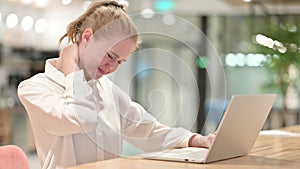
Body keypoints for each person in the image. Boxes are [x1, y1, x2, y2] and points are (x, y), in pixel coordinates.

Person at [17, 0, 216, 168]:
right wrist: (71, 67)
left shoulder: (107, 89)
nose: (112, 66)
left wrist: (196, 140)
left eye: (120, 62)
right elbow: (81, 119)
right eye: (110, 55)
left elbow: (148, 130)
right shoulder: (34, 89)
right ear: (87, 37)